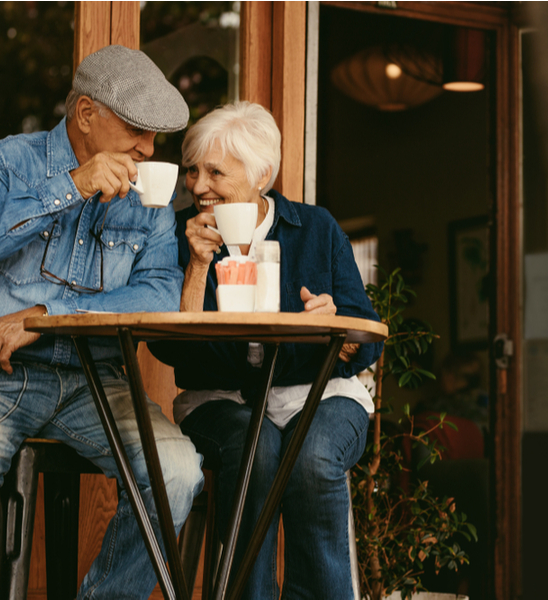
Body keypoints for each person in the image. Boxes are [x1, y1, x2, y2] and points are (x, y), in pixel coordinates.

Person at [149, 101, 384, 599]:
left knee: (314, 457)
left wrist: (334, 325)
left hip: (319, 396)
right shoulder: (179, 234)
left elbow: (365, 331)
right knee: (254, 452)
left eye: (214, 171)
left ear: (261, 174)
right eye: (192, 170)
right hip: (222, 400)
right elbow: (171, 350)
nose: (196, 185)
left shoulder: (315, 229)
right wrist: (195, 267)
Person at [0, 45, 203, 599]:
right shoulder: (12, 161)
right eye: (137, 129)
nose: (148, 148)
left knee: (179, 473)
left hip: (99, 382)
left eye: (155, 135)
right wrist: (73, 186)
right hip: (8, 375)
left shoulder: (150, 197)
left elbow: (162, 290)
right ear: (86, 115)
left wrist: (50, 316)